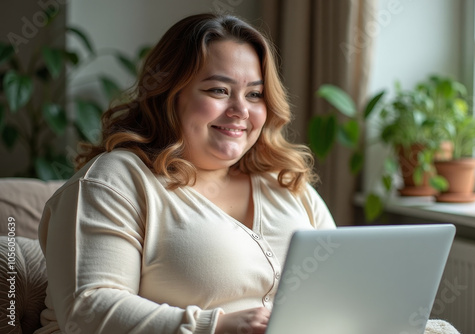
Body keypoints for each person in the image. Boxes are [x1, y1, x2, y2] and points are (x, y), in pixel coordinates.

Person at [35, 13, 336, 334]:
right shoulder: (113, 181)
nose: (241, 111)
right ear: (169, 95)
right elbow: (88, 311)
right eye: (219, 90)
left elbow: (345, 280)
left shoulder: (287, 182)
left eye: (254, 94)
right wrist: (217, 325)